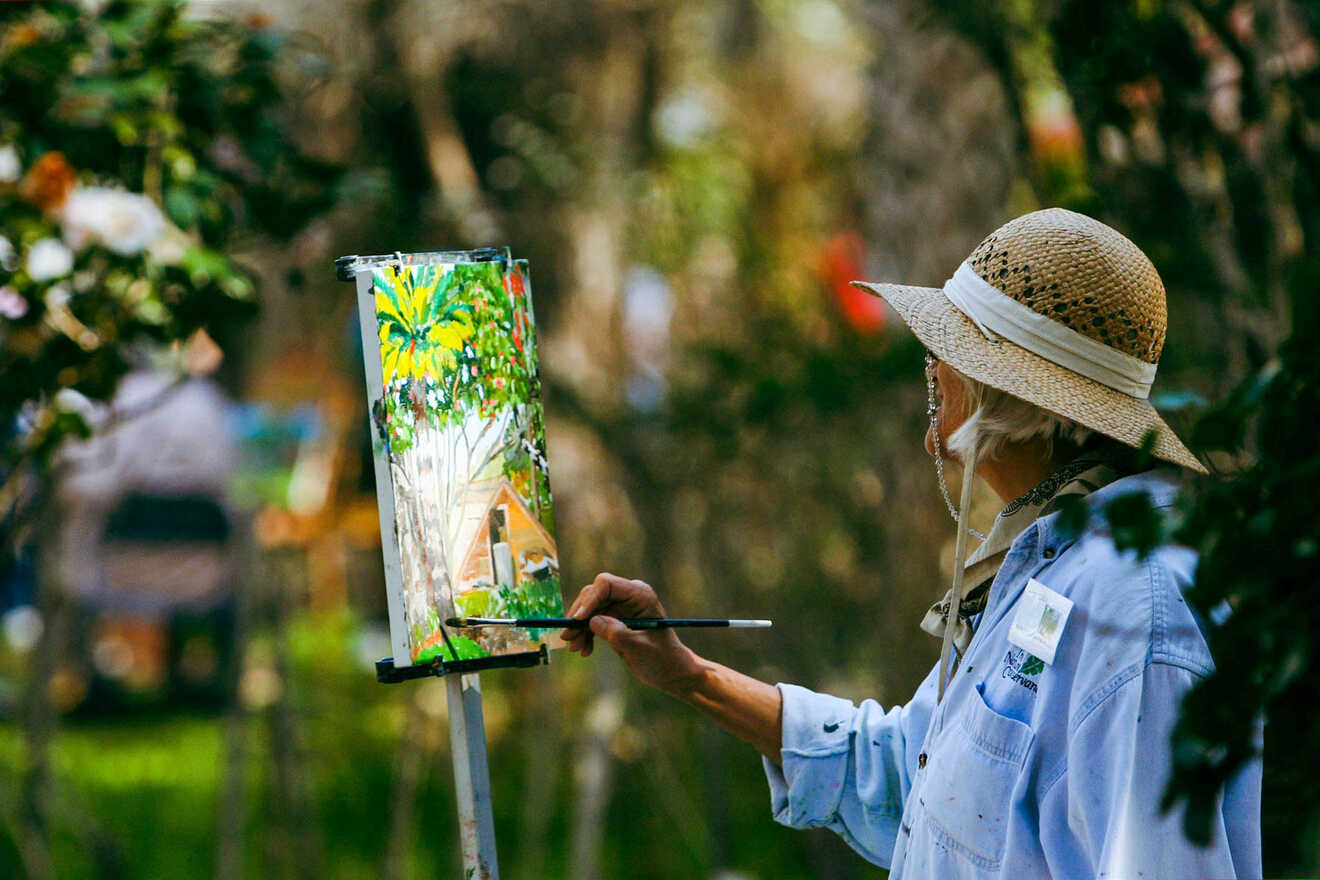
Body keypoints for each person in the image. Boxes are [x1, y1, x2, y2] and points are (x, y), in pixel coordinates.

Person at [561, 208, 1262, 878]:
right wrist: (690, 676)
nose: (931, 365)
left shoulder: (1133, 608)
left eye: (950, 350)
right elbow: (912, 779)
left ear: (1007, 390)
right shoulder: (1042, 570)